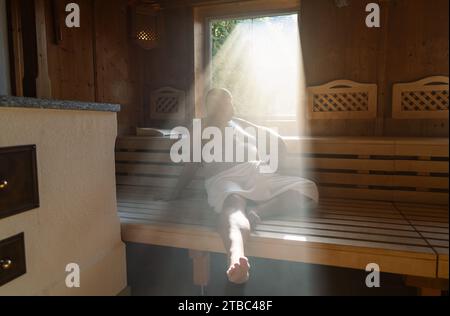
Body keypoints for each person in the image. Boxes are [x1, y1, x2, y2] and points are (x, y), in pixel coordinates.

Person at [169, 88, 318, 284]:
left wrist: (247, 124)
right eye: (218, 103)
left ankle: (259, 212)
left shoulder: (240, 125)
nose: (224, 106)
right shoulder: (202, 129)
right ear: (209, 107)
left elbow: (279, 143)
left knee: (307, 189)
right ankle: (236, 260)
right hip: (224, 179)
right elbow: (189, 167)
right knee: (233, 210)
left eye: (227, 102)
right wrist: (174, 193)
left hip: (256, 172)